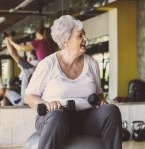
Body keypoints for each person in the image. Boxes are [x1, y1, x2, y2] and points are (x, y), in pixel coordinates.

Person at [24, 15, 122, 149]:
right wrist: (47, 104)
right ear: (65, 41)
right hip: (53, 119)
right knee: (58, 116)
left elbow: (99, 95)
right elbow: (29, 97)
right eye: (80, 36)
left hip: (85, 118)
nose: (85, 39)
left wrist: (102, 102)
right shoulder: (48, 64)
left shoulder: (91, 63)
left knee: (111, 111)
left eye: (85, 35)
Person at [5, 35, 36, 102]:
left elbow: (12, 53)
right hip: (33, 99)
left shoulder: (29, 66)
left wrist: (8, 40)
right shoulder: (40, 64)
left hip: (24, 101)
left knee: (4, 91)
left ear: (30, 58)